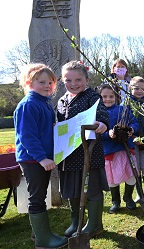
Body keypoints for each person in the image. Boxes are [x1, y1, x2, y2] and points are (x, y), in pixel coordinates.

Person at [14, 63, 68, 248]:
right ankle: (43, 241)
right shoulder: (29, 104)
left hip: (41, 157)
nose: (47, 85)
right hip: (32, 159)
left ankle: (38, 234)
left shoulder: (43, 103)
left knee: (40, 194)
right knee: (37, 197)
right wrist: (41, 158)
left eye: (51, 82)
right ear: (29, 82)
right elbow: (27, 136)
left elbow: (42, 130)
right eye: (41, 81)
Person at [56, 60, 110, 238]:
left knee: (91, 189)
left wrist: (102, 124)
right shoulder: (61, 101)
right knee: (73, 190)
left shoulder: (92, 97)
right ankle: (75, 221)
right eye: (68, 80)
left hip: (89, 152)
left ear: (87, 79)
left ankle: (94, 224)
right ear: (62, 81)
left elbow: (102, 114)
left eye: (78, 79)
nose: (73, 84)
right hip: (69, 154)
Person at [99, 85, 139, 213]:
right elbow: (96, 133)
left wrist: (131, 130)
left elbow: (134, 122)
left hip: (125, 149)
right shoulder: (98, 113)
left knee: (131, 174)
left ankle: (128, 198)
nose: (108, 99)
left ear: (116, 97)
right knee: (112, 178)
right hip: (109, 152)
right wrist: (107, 134)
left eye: (111, 96)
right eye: (104, 97)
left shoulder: (123, 109)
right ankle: (115, 201)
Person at [127, 76, 144, 204]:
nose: (139, 91)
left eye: (142, 89)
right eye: (136, 88)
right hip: (133, 143)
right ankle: (139, 193)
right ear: (129, 88)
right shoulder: (126, 104)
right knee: (135, 168)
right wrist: (132, 137)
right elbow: (124, 124)